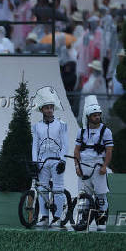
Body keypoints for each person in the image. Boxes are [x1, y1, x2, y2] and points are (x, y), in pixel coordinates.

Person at [74, 95, 114, 231]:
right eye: (94, 115)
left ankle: (101, 221)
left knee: (101, 196)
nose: (97, 117)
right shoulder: (81, 132)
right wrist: (76, 166)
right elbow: (77, 150)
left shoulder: (106, 131)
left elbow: (109, 151)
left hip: (98, 166)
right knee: (84, 196)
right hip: (83, 165)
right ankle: (83, 220)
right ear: (88, 116)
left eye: (98, 115)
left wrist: (104, 166)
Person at [31, 86, 68, 227]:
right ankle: (44, 217)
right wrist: (35, 162)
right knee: (42, 188)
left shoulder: (61, 124)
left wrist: (63, 160)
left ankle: (57, 217)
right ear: (41, 109)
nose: (49, 110)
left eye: (51, 107)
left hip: (56, 160)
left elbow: (65, 144)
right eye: (46, 107)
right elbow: (35, 145)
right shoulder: (37, 126)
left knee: (58, 188)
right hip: (42, 160)